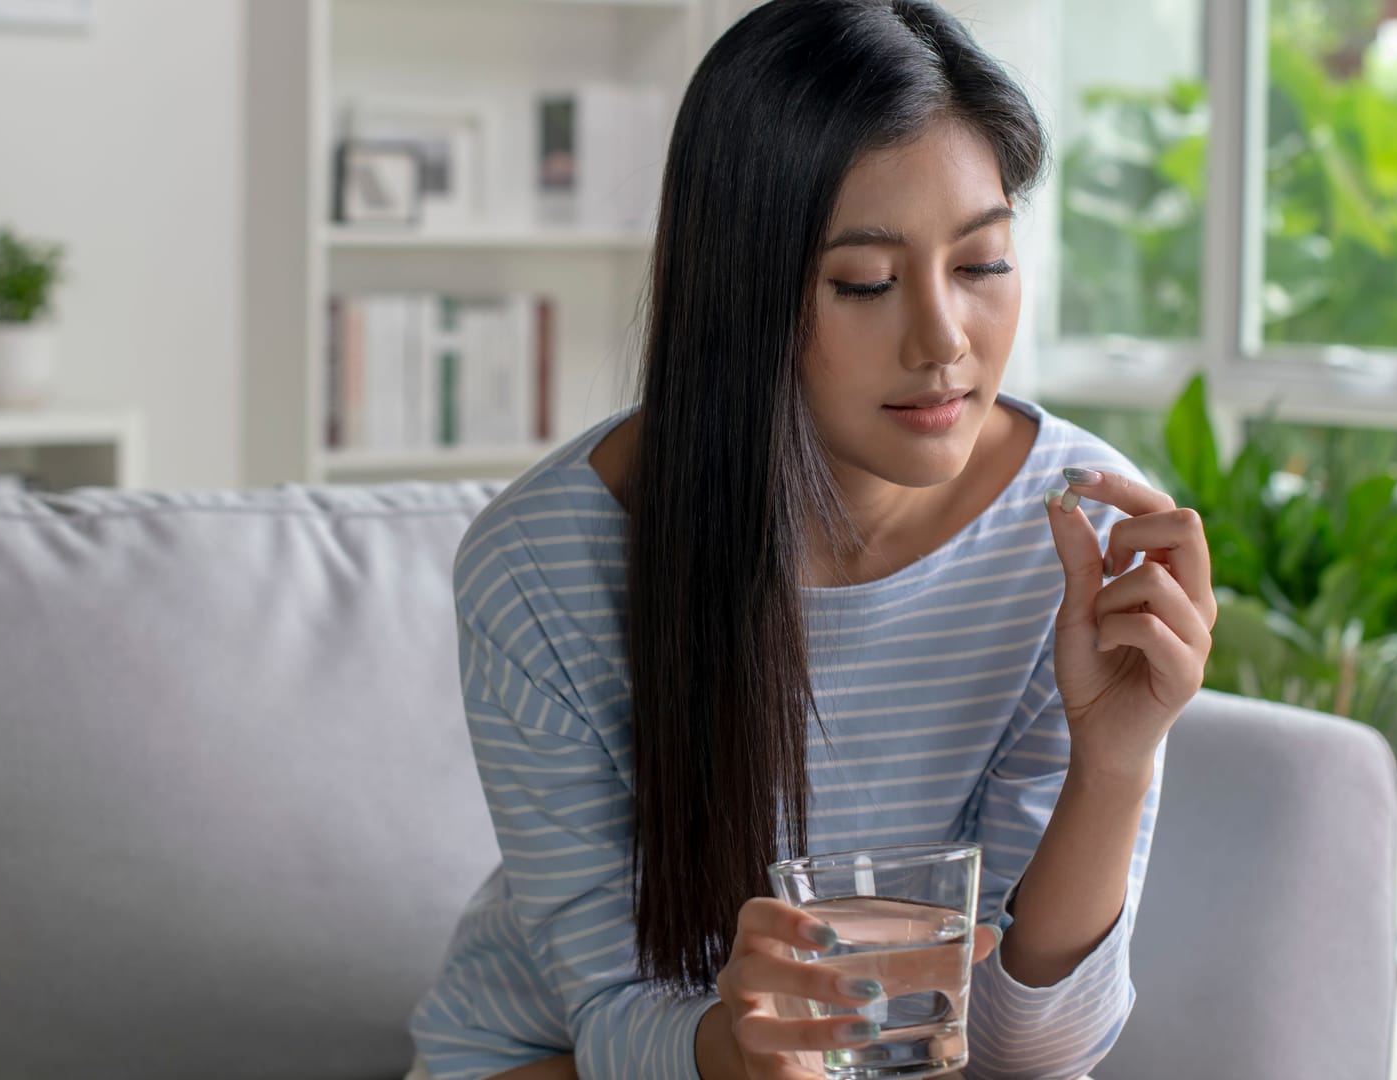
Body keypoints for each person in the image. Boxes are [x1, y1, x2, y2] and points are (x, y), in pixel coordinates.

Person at [407, 1, 1214, 1077]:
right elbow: (608, 1016)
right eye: (866, 284)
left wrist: (1115, 760)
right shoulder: (542, 565)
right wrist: (737, 1046)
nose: (943, 342)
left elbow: (1029, 1053)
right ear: (740, 295)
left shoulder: (1075, 541)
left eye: (981, 264)